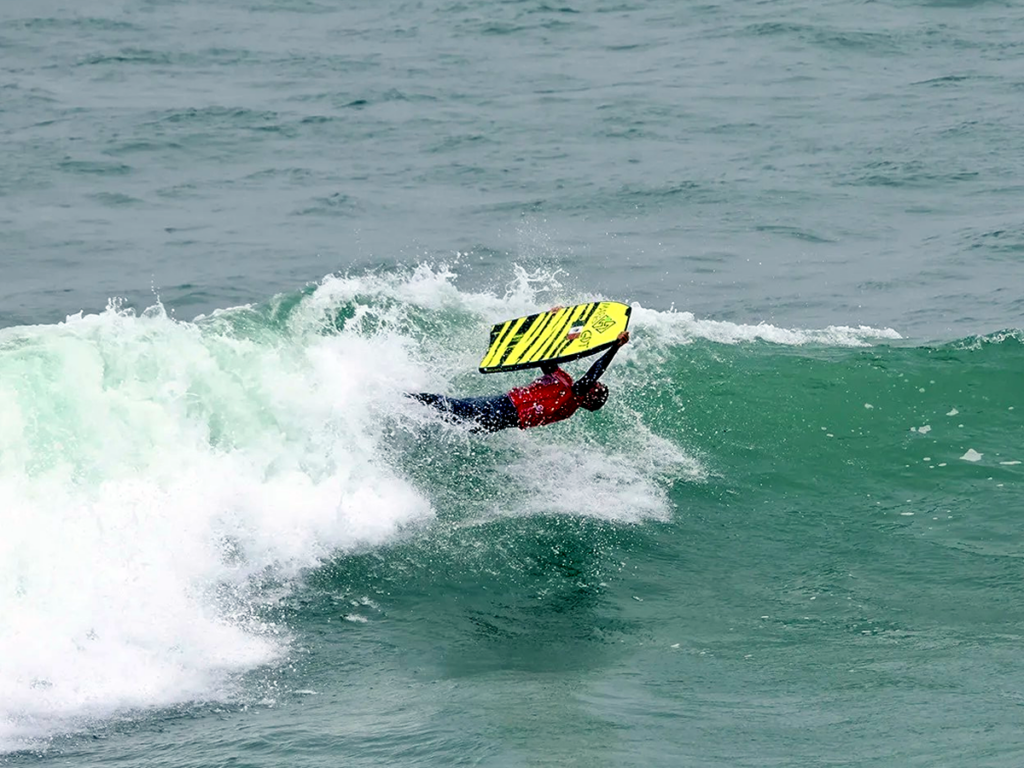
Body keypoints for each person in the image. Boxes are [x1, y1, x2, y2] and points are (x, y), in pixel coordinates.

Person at [409, 329, 630, 433]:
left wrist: (615, 347)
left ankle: (406, 401)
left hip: (504, 414)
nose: (594, 385)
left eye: (595, 389)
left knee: (453, 411)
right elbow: (546, 357)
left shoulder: (570, 403)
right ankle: (409, 408)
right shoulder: (563, 379)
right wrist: (559, 325)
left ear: (587, 401)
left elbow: (594, 372)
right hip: (501, 403)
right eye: (597, 386)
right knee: (451, 412)